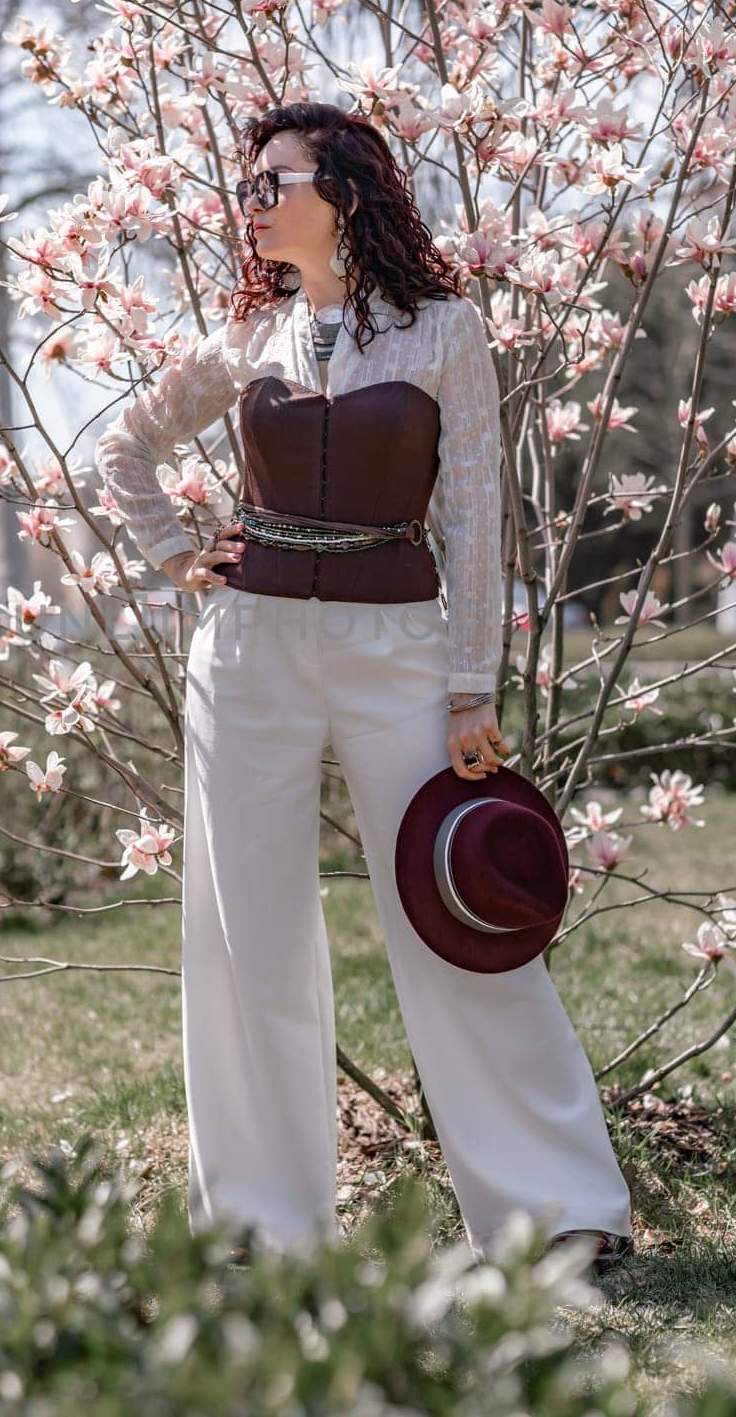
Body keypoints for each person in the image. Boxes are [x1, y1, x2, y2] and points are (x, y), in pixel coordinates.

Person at [94, 102, 633, 1274]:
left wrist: (468, 682)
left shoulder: (444, 331)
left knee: (455, 915)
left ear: (339, 189)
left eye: (270, 180)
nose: (251, 204)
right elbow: (122, 445)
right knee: (246, 936)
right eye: (248, 186)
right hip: (244, 656)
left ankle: (557, 1210)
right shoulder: (249, 335)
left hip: (398, 649)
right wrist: (175, 554)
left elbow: (476, 511)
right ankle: (260, 1228)